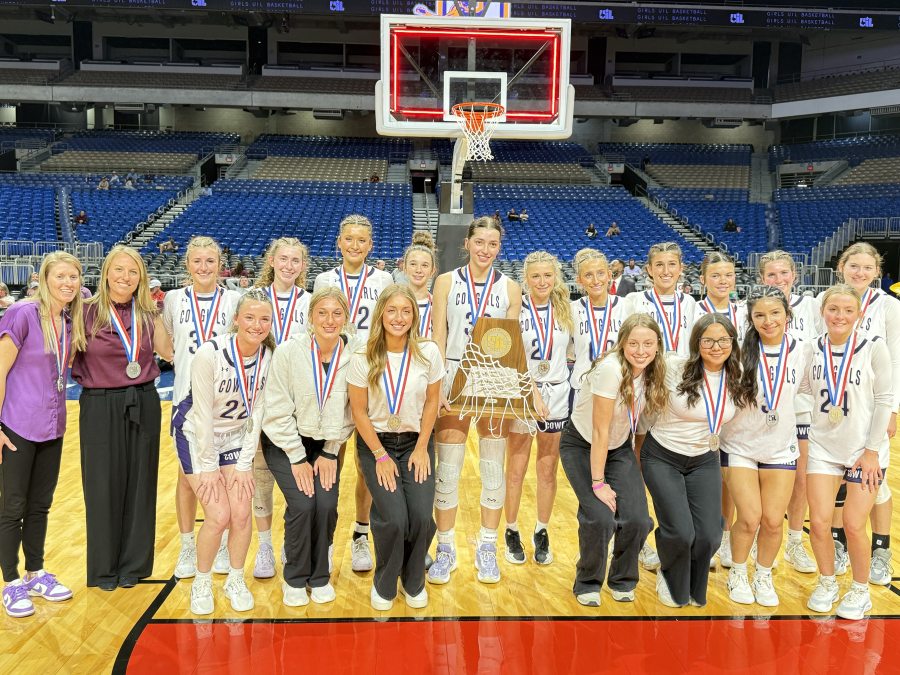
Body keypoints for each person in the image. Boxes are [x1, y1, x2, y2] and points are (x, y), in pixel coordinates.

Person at [71, 246, 173, 590]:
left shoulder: (149, 312)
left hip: (143, 400)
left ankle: (134, 564)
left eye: (133, 271)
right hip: (99, 404)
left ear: (141, 277)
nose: (125, 277)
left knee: (141, 483)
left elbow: (170, 352)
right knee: (101, 485)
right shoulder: (83, 312)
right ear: (106, 272)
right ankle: (103, 568)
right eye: (119, 270)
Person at [428, 216, 523, 586]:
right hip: (453, 374)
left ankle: (487, 547)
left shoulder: (511, 288)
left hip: (493, 376)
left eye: (493, 244)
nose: (486, 249)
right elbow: (438, 336)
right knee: (448, 469)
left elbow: (511, 346)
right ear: (466, 243)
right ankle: (446, 547)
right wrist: (436, 389)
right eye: (479, 242)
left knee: (492, 469)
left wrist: (513, 389)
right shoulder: (446, 282)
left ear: (500, 248)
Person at [262, 288, 362, 606]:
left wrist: (331, 449)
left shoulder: (356, 353)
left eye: (336, 313)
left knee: (326, 506)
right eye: (322, 312)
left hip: (327, 444)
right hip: (285, 441)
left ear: (345, 318)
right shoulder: (289, 351)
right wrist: (297, 455)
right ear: (310, 317)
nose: (329, 320)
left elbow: (354, 410)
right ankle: (294, 576)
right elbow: (276, 410)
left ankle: (319, 576)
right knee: (304, 505)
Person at [558, 314, 666, 607]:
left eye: (648, 343)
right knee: (600, 517)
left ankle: (623, 579)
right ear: (622, 343)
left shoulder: (653, 370)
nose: (640, 350)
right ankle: (588, 581)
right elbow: (599, 430)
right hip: (583, 445)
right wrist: (598, 483)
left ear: (658, 346)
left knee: (639, 520)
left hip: (618, 448)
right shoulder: (610, 369)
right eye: (633, 343)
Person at [0, 252, 86, 618]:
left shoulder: (68, 320)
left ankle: (35, 572)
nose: (68, 283)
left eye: (74, 277)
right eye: (61, 276)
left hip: (52, 426)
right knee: (12, 507)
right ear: (44, 278)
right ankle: (11, 582)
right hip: (16, 426)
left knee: (40, 505)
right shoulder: (20, 314)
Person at [348, 285, 443, 610]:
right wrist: (379, 455)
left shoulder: (429, 352)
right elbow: (358, 411)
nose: (399, 317)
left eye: (406, 311)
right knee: (394, 517)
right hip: (377, 444)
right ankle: (385, 583)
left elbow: (432, 402)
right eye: (392, 310)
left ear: (414, 316)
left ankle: (413, 579)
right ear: (381, 315)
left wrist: (421, 448)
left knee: (420, 516)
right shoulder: (363, 356)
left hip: (417, 442)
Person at [802, 285, 891, 620]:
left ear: (859, 315)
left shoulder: (873, 347)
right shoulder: (811, 348)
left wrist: (870, 452)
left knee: (854, 525)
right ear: (822, 312)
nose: (840, 316)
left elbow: (884, 399)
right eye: (833, 309)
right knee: (821, 523)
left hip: (865, 451)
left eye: (848, 311)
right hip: (825, 447)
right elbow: (802, 385)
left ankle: (860, 590)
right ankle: (827, 583)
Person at [642, 313, 744, 607]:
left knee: (711, 534)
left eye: (723, 340)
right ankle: (668, 572)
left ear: (732, 342)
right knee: (681, 531)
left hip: (704, 459)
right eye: (708, 340)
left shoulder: (738, 376)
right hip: (663, 456)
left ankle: (692, 581)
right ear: (696, 342)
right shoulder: (675, 368)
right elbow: (636, 363)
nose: (716, 346)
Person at [721, 287, 812, 608]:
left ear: (788, 315)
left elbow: (808, 388)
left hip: (780, 447)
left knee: (774, 521)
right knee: (749, 518)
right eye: (760, 315)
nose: (768, 320)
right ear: (750, 319)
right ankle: (739, 572)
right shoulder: (737, 353)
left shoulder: (803, 350)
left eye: (775, 313)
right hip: (739, 446)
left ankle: (762, 575)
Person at [184, 289, 274, 615]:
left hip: (237, 438)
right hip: (197, 438)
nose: (256, 324)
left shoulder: (268, 358)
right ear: (235, 320)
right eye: (249, 317)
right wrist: (208, 465)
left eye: (264, 319)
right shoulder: (209, 354)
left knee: (241, 512)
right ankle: (202, 581)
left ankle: (236, 579)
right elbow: (203, 413)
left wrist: (245, 462)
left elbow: (259, 415)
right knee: (219, 515)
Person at [313, 215, 394, 573]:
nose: (355, 245)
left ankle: (361, 534)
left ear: (371, 245)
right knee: (331, 456)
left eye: (362, 240)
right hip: (331, 374)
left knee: (366, 463)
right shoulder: (323, 280)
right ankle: (325, 538)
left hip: (369, 374)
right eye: (349, 239)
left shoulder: (384, 279)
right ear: (339, 242)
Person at [164, 237, 242, 582]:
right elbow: (165, 340)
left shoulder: (234, 299)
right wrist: (182, 364)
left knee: (224, 476)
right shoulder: (172, 299)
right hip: (186, 399)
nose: (204, 267)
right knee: (187, 477)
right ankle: (187, 545)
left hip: (225, 401)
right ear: (187, 264)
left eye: (211, 261)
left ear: (220, 264)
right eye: (198, 261)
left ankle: (223, 543)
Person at [826, 243, 900, 587]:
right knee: (841, 477)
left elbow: (897, 362)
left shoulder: (888, 306)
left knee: (875, 480)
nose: (859, 272)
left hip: (874, 406)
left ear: (877, 272)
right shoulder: (824, 301)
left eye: (867, 268)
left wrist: (894, 410)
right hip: (836, 404)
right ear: (842, 267)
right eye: (854, 266)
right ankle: (839, 542)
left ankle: (881, 550)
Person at [249, 238, 311, 579]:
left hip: (298, 400)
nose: (288, 265)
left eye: (295, 260)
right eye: (283, 258)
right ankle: (264, 548)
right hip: (259, 394)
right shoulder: (255, 299)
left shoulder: (311, 301)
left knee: (293, 477)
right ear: (271, 260)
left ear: (303, 265)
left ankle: (292, 543)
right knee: (261, 476)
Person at [759, 250, 822, 573]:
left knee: (801, 481)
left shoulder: (812, 307)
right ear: (761, 278)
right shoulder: (753, 310)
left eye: (784, 274)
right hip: (762, 408)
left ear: (794, 276)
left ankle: (795, 543)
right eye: (771, 275)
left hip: (802, 407)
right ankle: (752, 538)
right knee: (758, 482)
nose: (778, 280)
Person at [505, 252, 570, 566]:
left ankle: (542, 531)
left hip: (557, 393)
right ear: (525, 279)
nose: (542, 281)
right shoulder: (516, 308)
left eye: (547, 275)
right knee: (516, 470)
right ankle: (510, 529)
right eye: (535, 276)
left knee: (547, 471)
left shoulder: (567, 310)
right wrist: (532, 393)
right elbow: (512, 355)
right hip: (522, 393)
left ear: (555, 277)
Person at [695, 252, 748, 569]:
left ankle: (725, 538)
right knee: (697, 473)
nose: (723, 280)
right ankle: (698, 536)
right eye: (716, 275)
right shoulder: (692, 310)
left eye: (728, 274)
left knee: (727, 474)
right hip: (698, 400)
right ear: (703, 279)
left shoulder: (744, 313)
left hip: (735, 400)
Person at [570, 249, 632, 411]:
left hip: (617, 388)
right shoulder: (571, 310)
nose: (596, 280)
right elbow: (566, 349)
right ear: (579, 280)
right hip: (581, 388)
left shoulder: (627, 306)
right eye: (588, 275)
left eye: (600, 273)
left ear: (609, 275)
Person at [403, 232, 437, 339]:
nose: (418, 270)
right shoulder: (396, 303)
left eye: (425, 265)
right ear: (404, 268)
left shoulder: (439, 306)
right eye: (413, 264)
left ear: (432, 271)